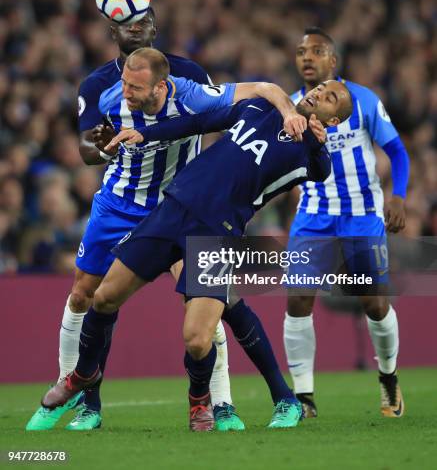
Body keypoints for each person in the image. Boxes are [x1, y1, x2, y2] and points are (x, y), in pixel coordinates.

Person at [26, 33, 308, 432]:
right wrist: (104, 148)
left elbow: (255, 95)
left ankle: (221, 403)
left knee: (213, 312)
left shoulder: (197, 94)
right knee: (90, 294)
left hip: (185, 208)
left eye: (134, 88)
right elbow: (90, 149)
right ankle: (84, 397)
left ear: (161, 86)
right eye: (124, 83)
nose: (124, 93)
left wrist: (291, 112)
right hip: (126, 203)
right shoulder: (108, 98)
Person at [282, 28, 409, 419]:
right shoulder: (290, 105)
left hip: (361, 217)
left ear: (333, 60)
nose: (307, 57)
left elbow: (397, 151)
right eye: (302, 51)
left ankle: (388, 377)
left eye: (317, 51)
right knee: (298, 300)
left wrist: (398, 194)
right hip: (313, 217)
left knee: (373, 303)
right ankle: (304, 397)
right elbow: (282, 158)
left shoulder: (363, 99)